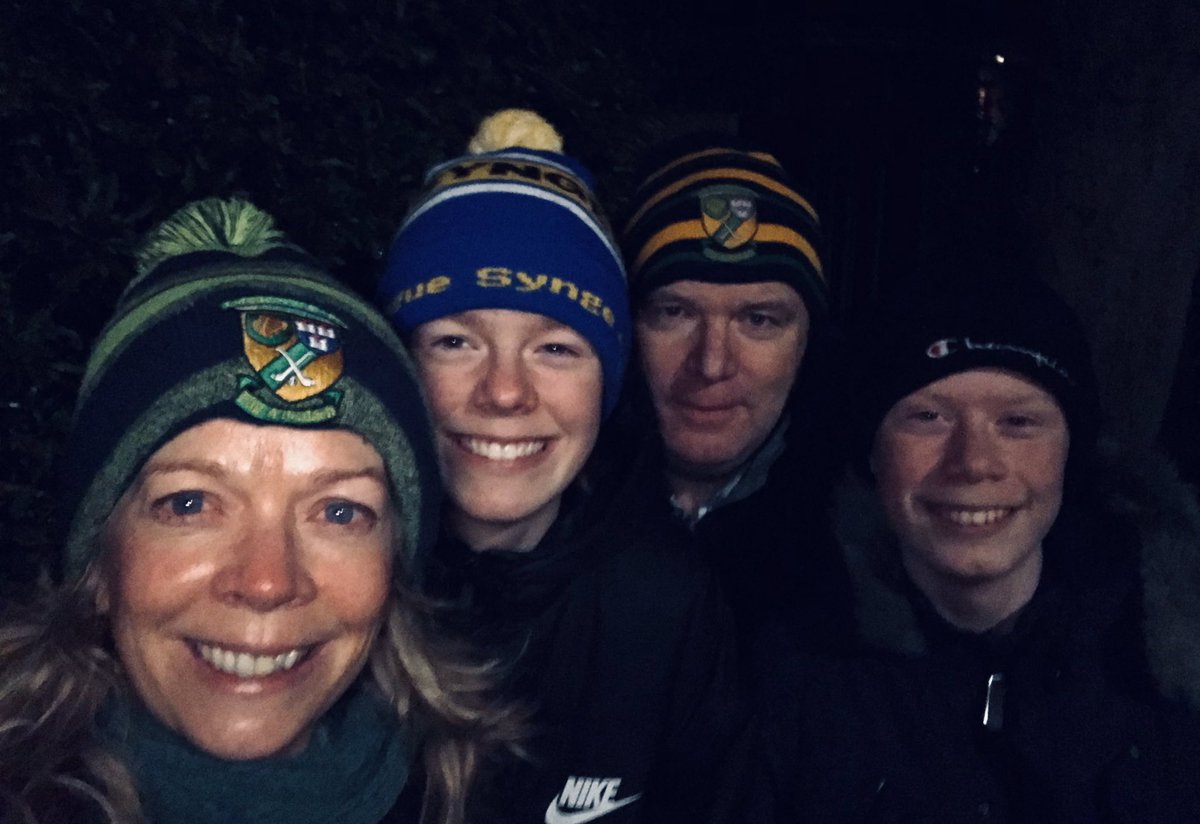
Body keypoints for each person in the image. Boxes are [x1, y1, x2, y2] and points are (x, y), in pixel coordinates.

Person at [0, 198, 520, 824]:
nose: (267, 582)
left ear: (394, 567)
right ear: (99, 562)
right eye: (190, 504)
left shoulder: (464, 795)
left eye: (339, 512)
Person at [377, 110, 748, 824]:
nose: (505, 392)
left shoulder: (666, 608)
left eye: (555, 349)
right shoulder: (328, 590)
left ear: (607, 385)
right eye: (455, 341)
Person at [761, 257, 1200, 822]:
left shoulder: (1170, 659)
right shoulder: (788, 674)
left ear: (1071, 451)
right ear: (871, 452)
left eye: (1018, 423)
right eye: (928, 417)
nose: (973, 463)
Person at [620, 139, 855, 652]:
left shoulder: (873, 558)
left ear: (807, 343)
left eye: (758, 320)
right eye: (675, 313)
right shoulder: (543, 516)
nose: (711, 363)